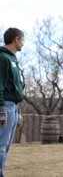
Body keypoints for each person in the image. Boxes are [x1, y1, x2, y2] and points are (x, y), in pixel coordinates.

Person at [0, 28, 25, 177]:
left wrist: (18, 110)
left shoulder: (13, 59)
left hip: (13, 107)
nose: (23, 43)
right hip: (5, 106)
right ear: (16, 40)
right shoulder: (3, 57)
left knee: (6, 145)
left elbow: (14, 86)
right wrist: (2, 109)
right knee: (1, 145)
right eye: (22, 40)